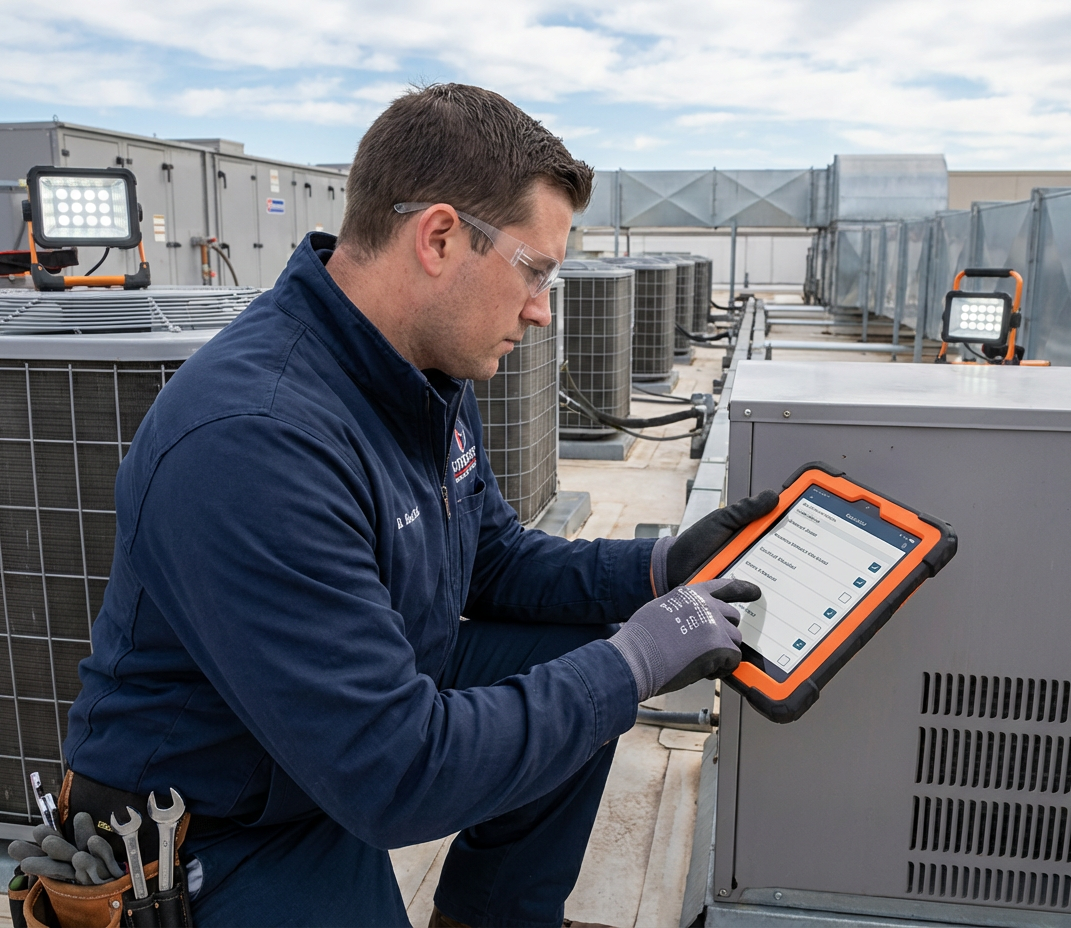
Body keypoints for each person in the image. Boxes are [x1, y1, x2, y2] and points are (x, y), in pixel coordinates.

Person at [63, 83, 776, 928]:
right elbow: (392, 773)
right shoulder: (255, 438)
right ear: (439, 237)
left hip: (329, 743)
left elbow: (495, 558)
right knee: (598, 676)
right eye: (536, 270)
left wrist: (663, 568)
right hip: (215, 825)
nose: (544, 310)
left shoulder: (422, 371)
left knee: (579, 658)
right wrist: (632, 667)